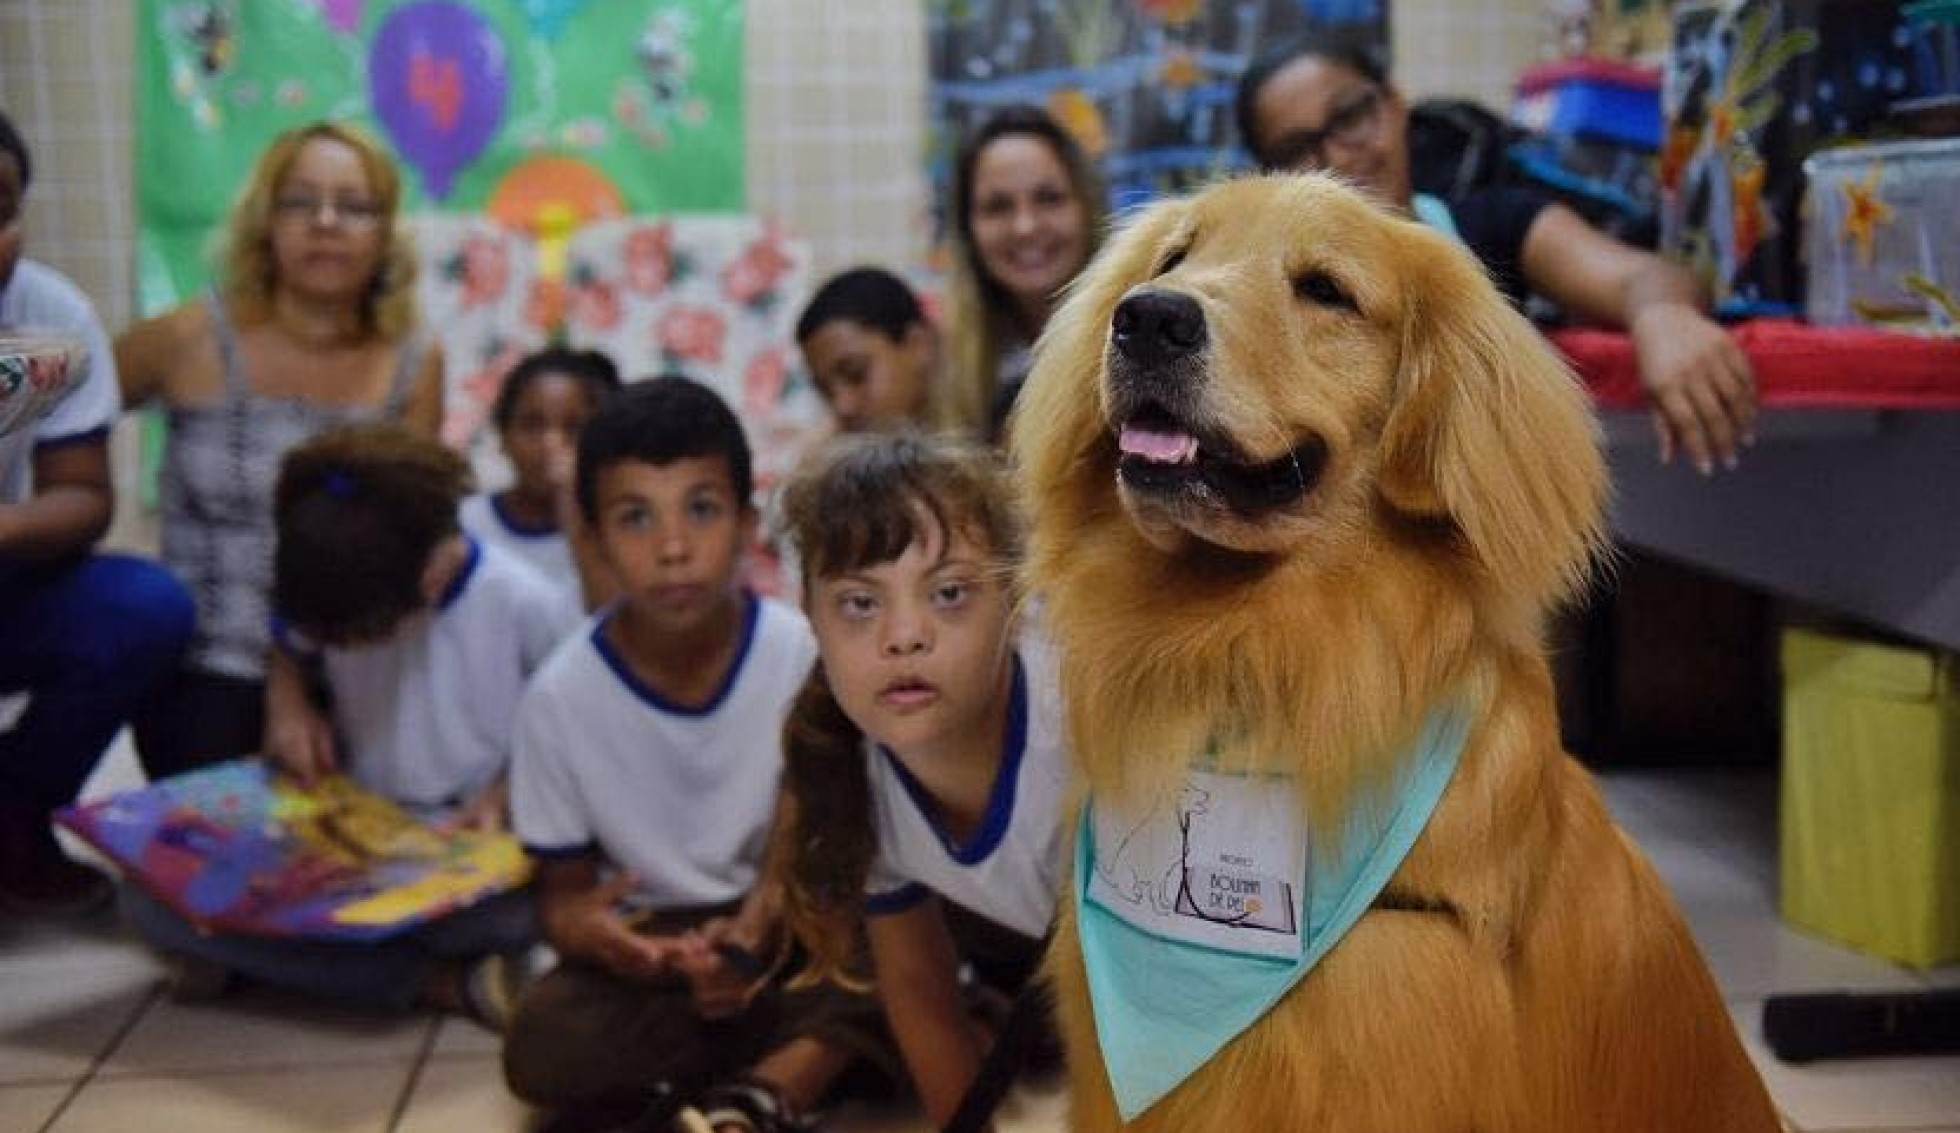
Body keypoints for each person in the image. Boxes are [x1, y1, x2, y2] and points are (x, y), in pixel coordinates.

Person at [504, 378, 886, 1133]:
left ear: (747, 522)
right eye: (636, 517)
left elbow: (842, 831)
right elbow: (562, 899)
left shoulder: (804, 653)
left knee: (898, 931)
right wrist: (612, 943)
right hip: (665, 943)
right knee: (543, 1046)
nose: (674, 548)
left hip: (795, 921)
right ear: (593, 537)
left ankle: (770, 1083)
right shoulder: (558, 697)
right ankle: (811, 1057)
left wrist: (765, 919)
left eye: (701, 509)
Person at [122, 422, 572, 1026]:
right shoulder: (334, 585)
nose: (352, 649)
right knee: (147, 896)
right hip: (360, 840)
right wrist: (288, 704)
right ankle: (438, 984)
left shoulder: (526, 604)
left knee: (523, 917)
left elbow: (572, 729)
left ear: (436, 574)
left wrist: (509, 790)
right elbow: (290, 643)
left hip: (463, 851)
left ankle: (265, 961)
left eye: (368, 638)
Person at [1234, 32, 1757, 475]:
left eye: (1350, 116)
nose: (1336, 160)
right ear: (1268, 177)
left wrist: (1663, 316)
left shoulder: (1493, 226)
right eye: (1296, 150)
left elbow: (1640, 277)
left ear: (1393, 106)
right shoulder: (1264, 300)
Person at [115, 121, 445, 781]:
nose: (326, 222)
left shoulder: (414, 363)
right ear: (266, 221)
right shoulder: (191, 336)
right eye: (300, 202)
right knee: (218, 857)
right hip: (202, 662)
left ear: (385, 232)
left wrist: (297, 673)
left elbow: (410, 535)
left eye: (355, 206)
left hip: (354, 659)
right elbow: (59, 401)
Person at [775, 433, 1067, 1129]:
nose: (904, 635)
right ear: (810, 618)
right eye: (859, 603)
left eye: (949, 592)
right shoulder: (856, 775)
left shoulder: (1082, 716)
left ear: (1017, 599)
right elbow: (917, 988)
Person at [0, 109, 196, 915]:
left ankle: (11, 820)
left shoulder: (49, 322)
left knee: (145, 608)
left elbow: (82, 497)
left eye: (1, 209)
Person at [945, 105, 1105, 443]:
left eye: (1049, 199)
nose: (1025, 226)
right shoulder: (944, 363)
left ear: (1087, 208)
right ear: (968, 230)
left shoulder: (1136, 340)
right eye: (998, 207)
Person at [459, 345, 621, 609]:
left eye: (573, 428)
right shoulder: (465, 524)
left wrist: (573, 510)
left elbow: (610, 623)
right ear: (502, 436)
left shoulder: (609, 535)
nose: (551, 443)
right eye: (532, 425)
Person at [794, 267, 939, 434]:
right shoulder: (836, 451)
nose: (842, 407)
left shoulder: (973, 440)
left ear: (919, 346)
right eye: (825, 392)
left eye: (856, 374)